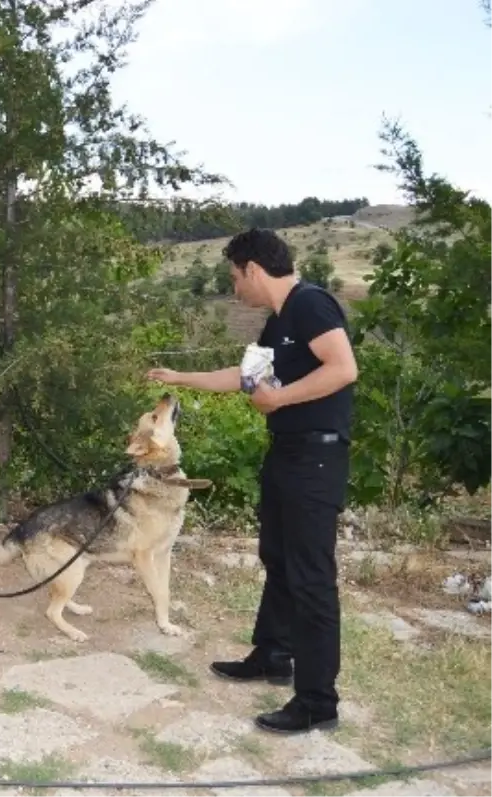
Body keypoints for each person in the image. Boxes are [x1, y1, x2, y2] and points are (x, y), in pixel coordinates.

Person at [147, 228, 357, 734]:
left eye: (234, 277)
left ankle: (316, 702)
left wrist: (280, 400)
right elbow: (244, 378)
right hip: (287, 455)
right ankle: (273, 654)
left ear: (254, 270)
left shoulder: (311, 305)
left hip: (317, 461)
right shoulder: (278, 323)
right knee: (278, 561)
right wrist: (179, 378)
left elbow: (344, 368)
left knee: (311, 579)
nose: (234, 288)